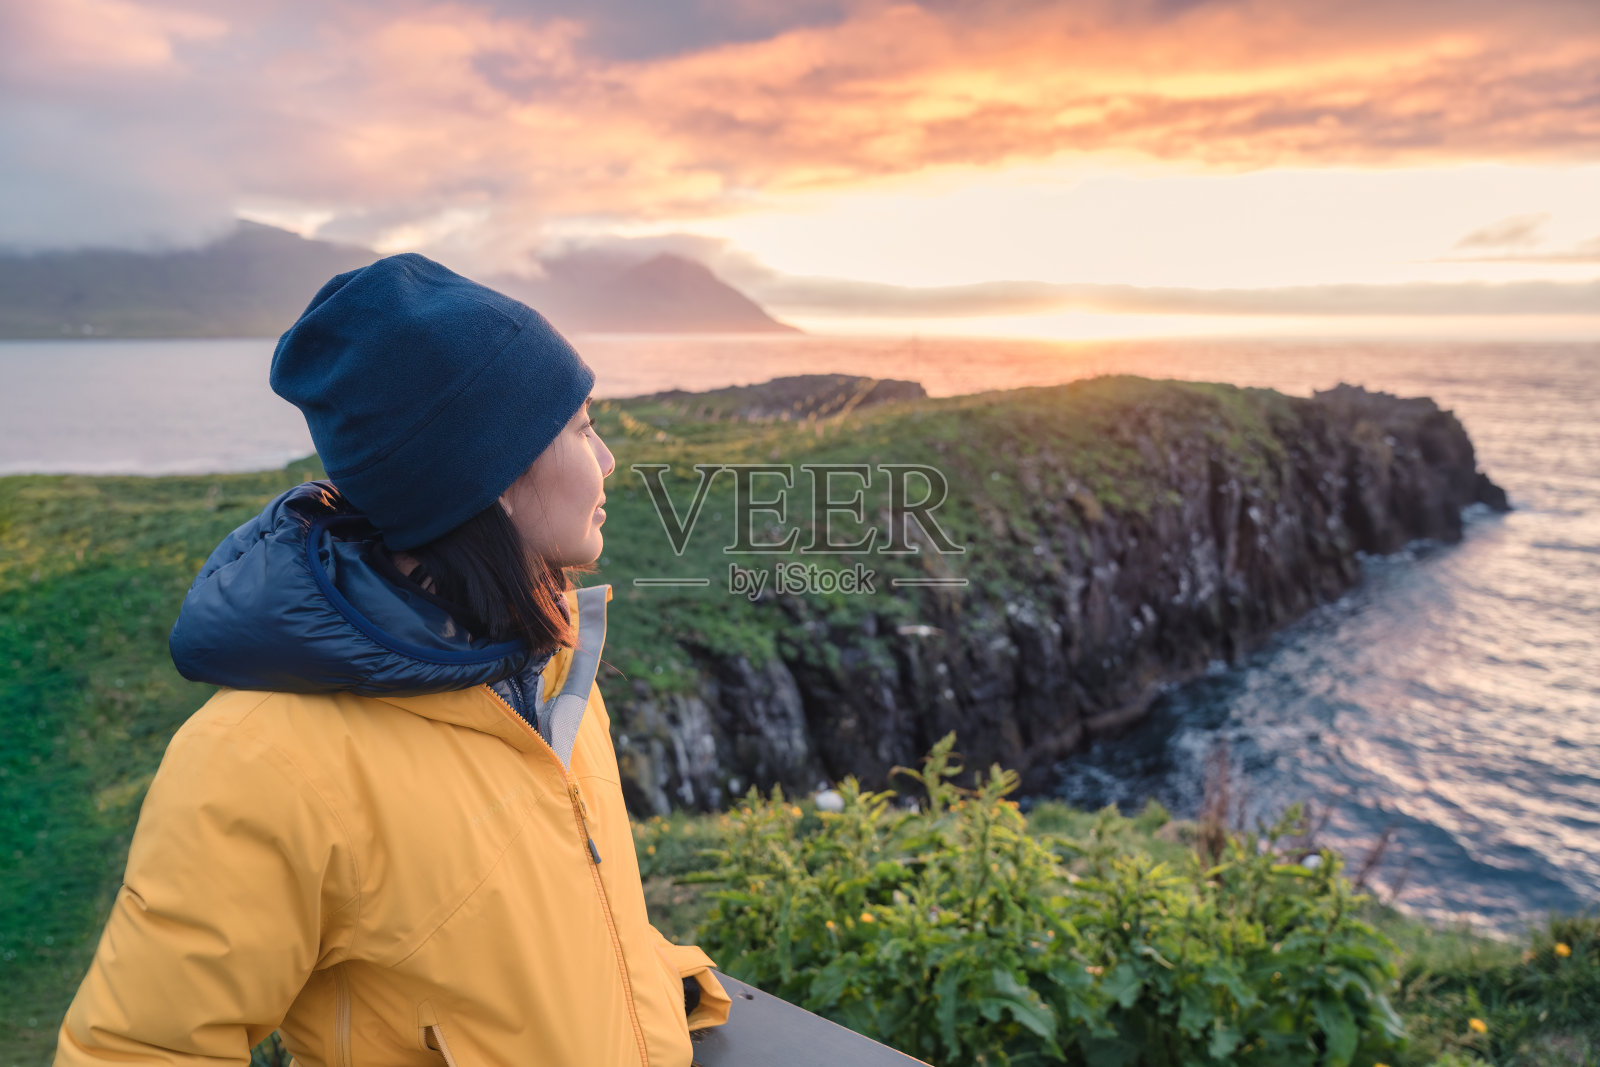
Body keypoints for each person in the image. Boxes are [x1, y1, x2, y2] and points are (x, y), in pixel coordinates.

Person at [55, 254, 731, 1065]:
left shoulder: (548, 668)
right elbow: (140, 1049)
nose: (609, 457)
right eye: (584, 427)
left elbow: (526, 939)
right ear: (493, 472)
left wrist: (650, 997)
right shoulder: (257, 760)